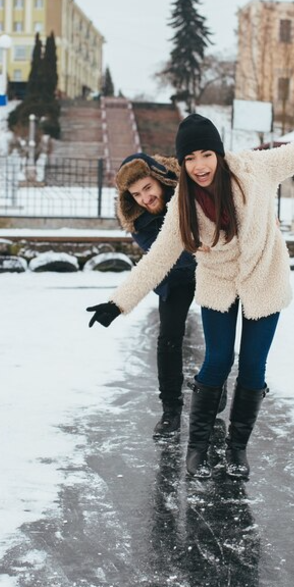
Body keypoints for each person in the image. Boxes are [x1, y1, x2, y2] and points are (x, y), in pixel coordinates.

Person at [88, 84, 294, 479]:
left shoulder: (256, 169)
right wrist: (118, 302)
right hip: (218, 282)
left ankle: (237, 449)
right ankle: (196, 448)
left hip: (264, 276)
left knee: (253, 366)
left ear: (218, 153)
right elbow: (158, 258)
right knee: (217, 360)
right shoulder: (182, 201)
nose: (199, 166)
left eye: (206, 155)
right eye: (190, 158)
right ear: (182, 161)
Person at [112, 153, 203, 439]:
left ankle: (212, 385)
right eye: (137, 194)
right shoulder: (138, 220)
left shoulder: (189, 194)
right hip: (174, 276)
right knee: (168, 338)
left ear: (161, 181)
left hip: (211, 270)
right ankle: (171, 410)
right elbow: (170, 258)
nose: (144, 198)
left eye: (148, 189)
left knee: (220, 329)